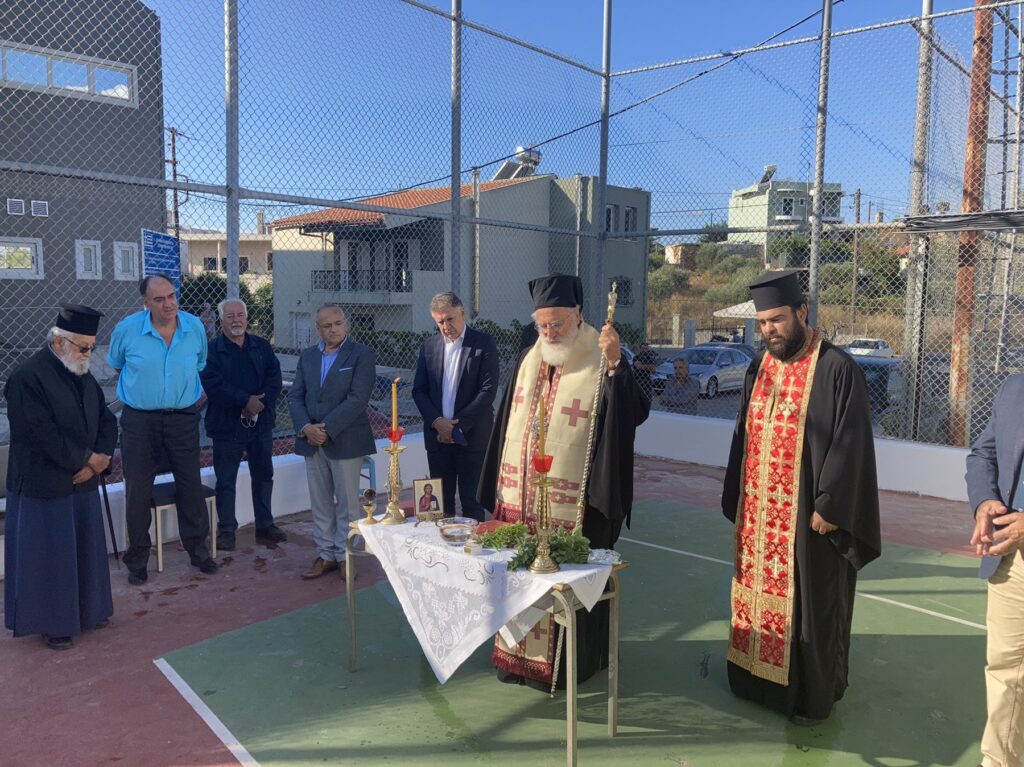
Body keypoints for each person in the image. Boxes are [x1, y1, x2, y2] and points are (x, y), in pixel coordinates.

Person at [721, 269, 880, 725]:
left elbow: (851, 442)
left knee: (814, 607)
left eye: (777, 319)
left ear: (801, 312)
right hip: (759, 517)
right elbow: (742, 434)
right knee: (754, 598)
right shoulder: (759, 367)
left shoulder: (836, 368)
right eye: (762, 323)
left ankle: (810, 697)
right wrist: (737, 495)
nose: (769, 330)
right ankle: (755, 683)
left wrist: (830, 503)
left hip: (809, 517)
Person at [479, 273, 650, 690]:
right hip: (521, 499)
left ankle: (567, 668)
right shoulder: (529, 359)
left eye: (557, 323)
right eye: (543, 325)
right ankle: (516, 662)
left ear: (578, 315)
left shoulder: (601, 355)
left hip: (577, 506)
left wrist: (616, 365)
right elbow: (506, 424)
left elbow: (635, 413)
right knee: (518, 575)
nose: (550, 332)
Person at [4, 304, 117, 650]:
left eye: (91, 347)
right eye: (83, 347)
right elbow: (38, 433)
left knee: (85, 551)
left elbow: (107, 420)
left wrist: (99, 461)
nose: (88, 354)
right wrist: (85, 459)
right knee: (50, 558)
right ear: (59, 342)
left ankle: (89, 611)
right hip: (45, 485)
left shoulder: (81, 372)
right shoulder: (27, 377)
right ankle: (54, 624)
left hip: (83, 480)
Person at [108, 273, 217, 585]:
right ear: (145, 303)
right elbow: (117, 363)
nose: (168, 304)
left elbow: (199, 363)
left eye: (171, 296)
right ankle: (138, 561)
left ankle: (199, 552)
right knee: (138, 490)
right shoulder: (127, 329)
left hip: (183, 418)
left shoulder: (194, 327)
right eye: (159, 299)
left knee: (190, 484)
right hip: (139, 421)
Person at [288, 304, 376, 580]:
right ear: (318, 329)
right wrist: (306, 427)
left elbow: (358, 398)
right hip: (311, 440)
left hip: (345, 439)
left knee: (348, 504)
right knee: (320, 501)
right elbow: (295, 396)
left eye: (338, 323)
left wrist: (327, 429)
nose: (334, 329)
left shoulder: (361, 354)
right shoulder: (308, 357)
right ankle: (325, 555)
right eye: (327, 326)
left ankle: (345, 556)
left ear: (346, 324)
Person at [966, 375, 1024, 767]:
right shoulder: (1013, 388)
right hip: (1011, 557)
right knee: (1006, 670)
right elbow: (983, 455)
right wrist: (985, 501)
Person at [199, 298, 285, 551]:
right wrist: (245, 401)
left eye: (240, 315)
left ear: (247, 318)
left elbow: (275, 377)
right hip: (227, 426)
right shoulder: (211, 351)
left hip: (261, 423)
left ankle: (265, 524)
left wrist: (260, 403)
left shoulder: (262, 346)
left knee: (264, 475)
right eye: (230, 316)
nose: (236, 320)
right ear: (221, 320)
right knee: (226, 480)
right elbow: (213, 384)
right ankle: (227, 530)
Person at [412, 291, 498, 522]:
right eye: (440, 322)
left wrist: (456, 427)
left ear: (463, 313)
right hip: (438, 438)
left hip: (472, 436)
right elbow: (419, 390)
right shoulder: (429, 346)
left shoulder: (483, 343)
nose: (446, 326)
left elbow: (487, 391)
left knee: (472, 502)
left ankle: (473, 544)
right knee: (440, 504)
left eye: (450, 319)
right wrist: (437, 422)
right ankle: (442, 542)